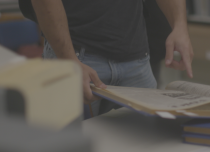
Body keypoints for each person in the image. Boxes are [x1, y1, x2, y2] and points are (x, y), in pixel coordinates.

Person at [21, 0, 194, 115]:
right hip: (77, 59)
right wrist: (69, 61)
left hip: (137, 61)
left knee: (142, 151)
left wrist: (179, 24)